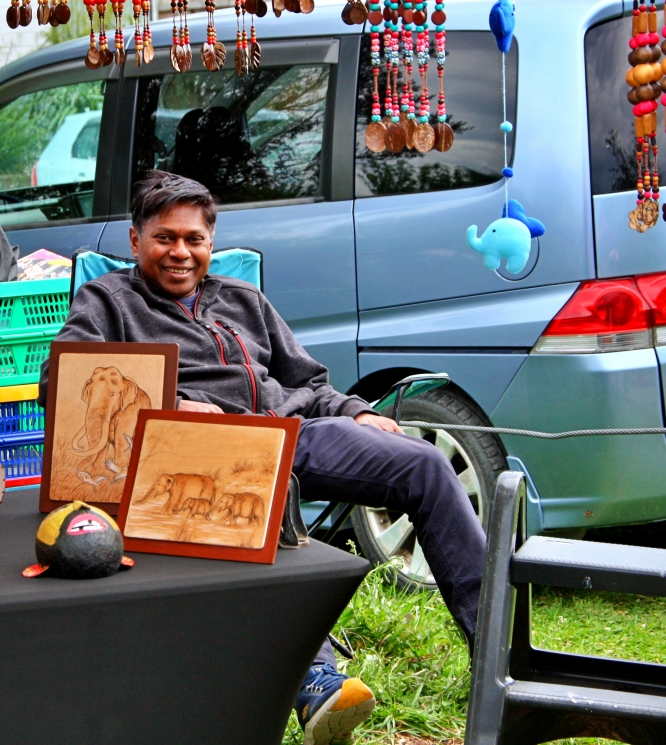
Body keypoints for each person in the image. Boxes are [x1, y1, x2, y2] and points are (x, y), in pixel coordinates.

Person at [40, 171, 486, 745]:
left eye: (194, 239)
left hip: (291, 429)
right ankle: (317, 682)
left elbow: (310, 382)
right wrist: (171, 406)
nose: (181, 252)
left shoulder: (243, 299)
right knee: (254, 477)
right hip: (195, 453)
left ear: (211, 242)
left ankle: (496, 651)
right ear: (135, 240)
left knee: (423, 463)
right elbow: (61, 381)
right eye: (164, 238)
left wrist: (355, 412)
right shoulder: (107, 302)